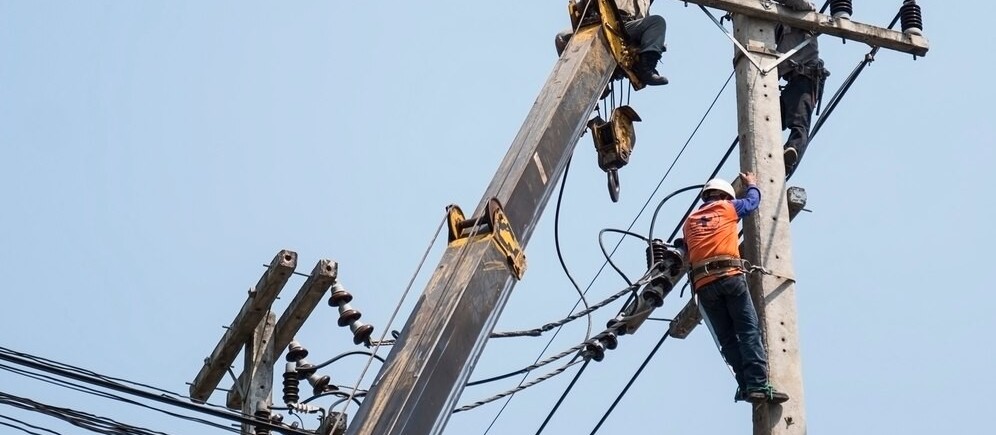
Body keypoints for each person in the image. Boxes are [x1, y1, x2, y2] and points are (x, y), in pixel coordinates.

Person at [681, 173, 789, 404]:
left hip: (704, 286)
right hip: (729, 277)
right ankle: (758, 383)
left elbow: (686, 249)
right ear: (725, 196)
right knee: (748, 330)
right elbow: (752, 202)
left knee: (728, 340)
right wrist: (752, 183)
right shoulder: (727, 207)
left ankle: (745, 385)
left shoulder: (689, 222)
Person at [774, 0, 830, 177]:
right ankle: (772, 157)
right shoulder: (776, 20)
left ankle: (790, 156)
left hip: (806, 78)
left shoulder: (805, 7)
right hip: (789, 81)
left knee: (799, 125)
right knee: (768, 120)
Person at [555, 0, 668, 86]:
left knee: (657, 22)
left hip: (628, 29)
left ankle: (645, 69)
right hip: (601, 23)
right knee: (562, 37)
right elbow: (580, 8)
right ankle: (582, 79)